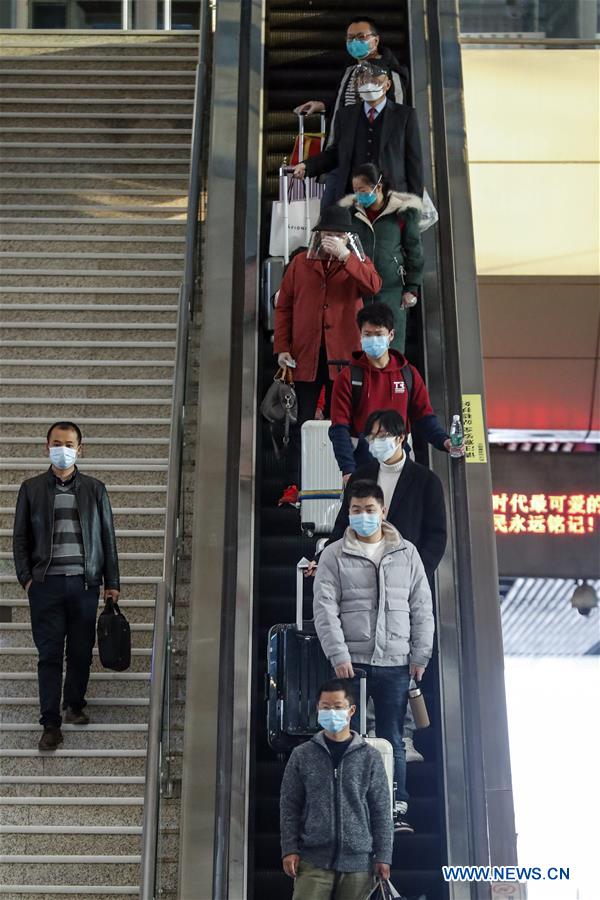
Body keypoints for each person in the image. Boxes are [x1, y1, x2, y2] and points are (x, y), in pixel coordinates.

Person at [313, 480, 435, 832]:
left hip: (396, 660)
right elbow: (324, 608)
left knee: (393, 737)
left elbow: (421, 606)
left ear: (383, 512)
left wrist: (421, 653)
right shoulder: (334, 554)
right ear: (347, 513)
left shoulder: (406, 552)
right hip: (353, 660)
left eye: (369, 510)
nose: (363, 516)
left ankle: (395, 807)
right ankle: (351, 808)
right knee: (350, 737)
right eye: (355, 510)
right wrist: (337, 653)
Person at [12, 421, 120, 751]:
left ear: (79, 448)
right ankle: (50, 722)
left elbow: (107, 538)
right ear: (47, 447)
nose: (63, 449)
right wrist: (27, 579)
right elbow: (19, 538)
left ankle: (74, 703)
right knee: (49, 654)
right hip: (45, 585)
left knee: (80, 651)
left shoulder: (94, 489)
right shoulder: (31, 489)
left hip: (85, 584)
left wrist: (111, 582)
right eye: (57, 443)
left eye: (69, 443)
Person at [273, 205, 382, 506]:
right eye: (325, 234)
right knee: (301, 422)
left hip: (343, 358)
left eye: (336, 235)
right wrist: (282, 347)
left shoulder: (356, 261)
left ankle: (343, 483)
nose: (329, 239)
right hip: (306, 356)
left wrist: (347, 256)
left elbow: (373, 285)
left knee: (342, 424)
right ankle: (295, 485)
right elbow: (283, 307)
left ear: (346, 237)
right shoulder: (299, 263)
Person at [280, 678, 393, 899]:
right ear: (317, 709)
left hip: (359, 863)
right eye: (326, 707)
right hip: (312, 860)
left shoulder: (369, 757)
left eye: (338, 707)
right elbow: (289, 806)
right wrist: (289, 848)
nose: (331, 712)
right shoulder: (302, 755)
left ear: (351, 710)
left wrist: (384, 855)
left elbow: (381, 809)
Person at [329, 302, 464, 481]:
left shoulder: (408, 374)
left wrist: (444, 441)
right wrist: (347, 470)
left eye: (379, 334)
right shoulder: (347, 377)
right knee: (366, 509)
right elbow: (339, 428)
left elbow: (423, 417)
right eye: (367, 335)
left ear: (391, 335)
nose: (373, 340)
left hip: (401, 459)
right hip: (361, 462)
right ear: (360, 336)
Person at [294, 16, 409, 209]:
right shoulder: (350, 69)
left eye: (361, 36)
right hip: (341, 156)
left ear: (376, 40)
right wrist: (322, 104)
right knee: (331, 216)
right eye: (350, 38)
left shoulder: (390, 74)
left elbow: (396, 118)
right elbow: (344, 102)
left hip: (372, 164)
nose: (355, 42)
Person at [295, 61, 423, 206]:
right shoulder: (345, 115)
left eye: (375, 81)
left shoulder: (404, 116)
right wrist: (308, 166)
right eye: (363, 81)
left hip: (391, 198)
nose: (369, 85)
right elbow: (337, 153)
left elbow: (414, 163)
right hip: (352, 197)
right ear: (357, 85)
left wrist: (415, 204)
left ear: (387, 85)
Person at [339, 162, 424, 352]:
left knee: (391, 347)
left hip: (391, 290)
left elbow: (414, 251)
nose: (359, 195)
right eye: (355, 190)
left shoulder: (402, 213)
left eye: (362, 190)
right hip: (358, 290)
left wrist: (411, 288)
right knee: (358, 346)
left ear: (377, 187)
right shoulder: (350, 213)